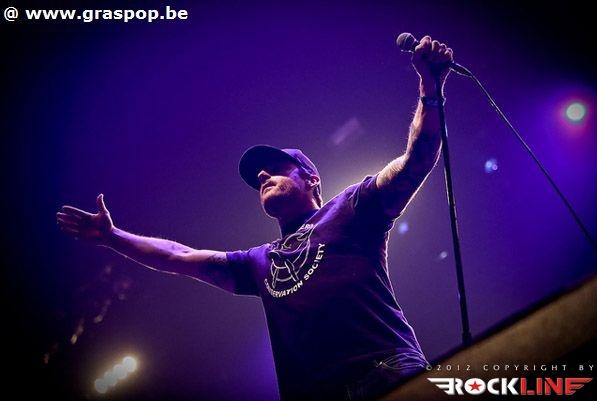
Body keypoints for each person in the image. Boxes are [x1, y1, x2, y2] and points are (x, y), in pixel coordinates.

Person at [57, 35, 453, 401]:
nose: (263, 175)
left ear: (311, 178)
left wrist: (430, 90)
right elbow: (177, 255)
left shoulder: (351, 207)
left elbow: (415, 159)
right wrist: (112, 236)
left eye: (276, 168)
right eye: (259, 175)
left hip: (387, 371)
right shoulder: (258, 261)